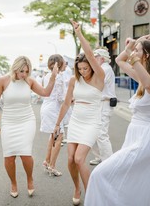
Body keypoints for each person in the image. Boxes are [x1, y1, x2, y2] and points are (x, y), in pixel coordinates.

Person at [0, 56, 58, 198]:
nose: (24, 74)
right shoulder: (3, 80)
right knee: (9, 156)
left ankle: (29, 179)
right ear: (15, 68)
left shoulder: (29, 81)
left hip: (27, 120)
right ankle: (13, 183)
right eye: (22, 71)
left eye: (27, 71)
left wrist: (53, 77)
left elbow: (46, 93)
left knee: (25, 154)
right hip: (9, 121)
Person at [85, 36, 150, 205]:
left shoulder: (146, 79)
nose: (134, 53)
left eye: (138, 50)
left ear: (147, 55)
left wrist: (135, 54)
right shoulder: (141, 78)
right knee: (133, 180)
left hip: (144, 140)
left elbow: (147, 80)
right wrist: (135, 43)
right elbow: (120, 60)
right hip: (134, 136)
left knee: (100, 174)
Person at [52, 20, 105, 205]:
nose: (83, 71)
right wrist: (57, 124)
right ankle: (76, 187)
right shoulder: (75, 80)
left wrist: (79, 33)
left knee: (79, 158)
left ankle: (92, 195)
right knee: (70, 160)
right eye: (80, 69)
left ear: (92, 66)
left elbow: (89, 53)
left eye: (86, 68)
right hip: (75, 121)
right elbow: (66, 103)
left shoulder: (99, 77)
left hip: (91, 122)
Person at [89, 47, 116, 165]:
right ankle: (101, 156)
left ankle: (108, 161)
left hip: (104, 103)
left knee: (102, 134)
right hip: (100, 103)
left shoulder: (105, 69)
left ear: (102, 58)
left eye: (96, 57)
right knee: (96, 133)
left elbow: (98, 84)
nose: (94, 59)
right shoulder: (102, 69)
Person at [40, 54, 66, 177]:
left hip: (46, 106)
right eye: (64, 62)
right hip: (54, 109)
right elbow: (60, 97)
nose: (66, 64)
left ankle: (47, 160)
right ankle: (52, 166)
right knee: (59, 137)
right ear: (60, 63)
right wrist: (70, 100)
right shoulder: (59, 77)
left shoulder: (47, 76)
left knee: (53, 135)